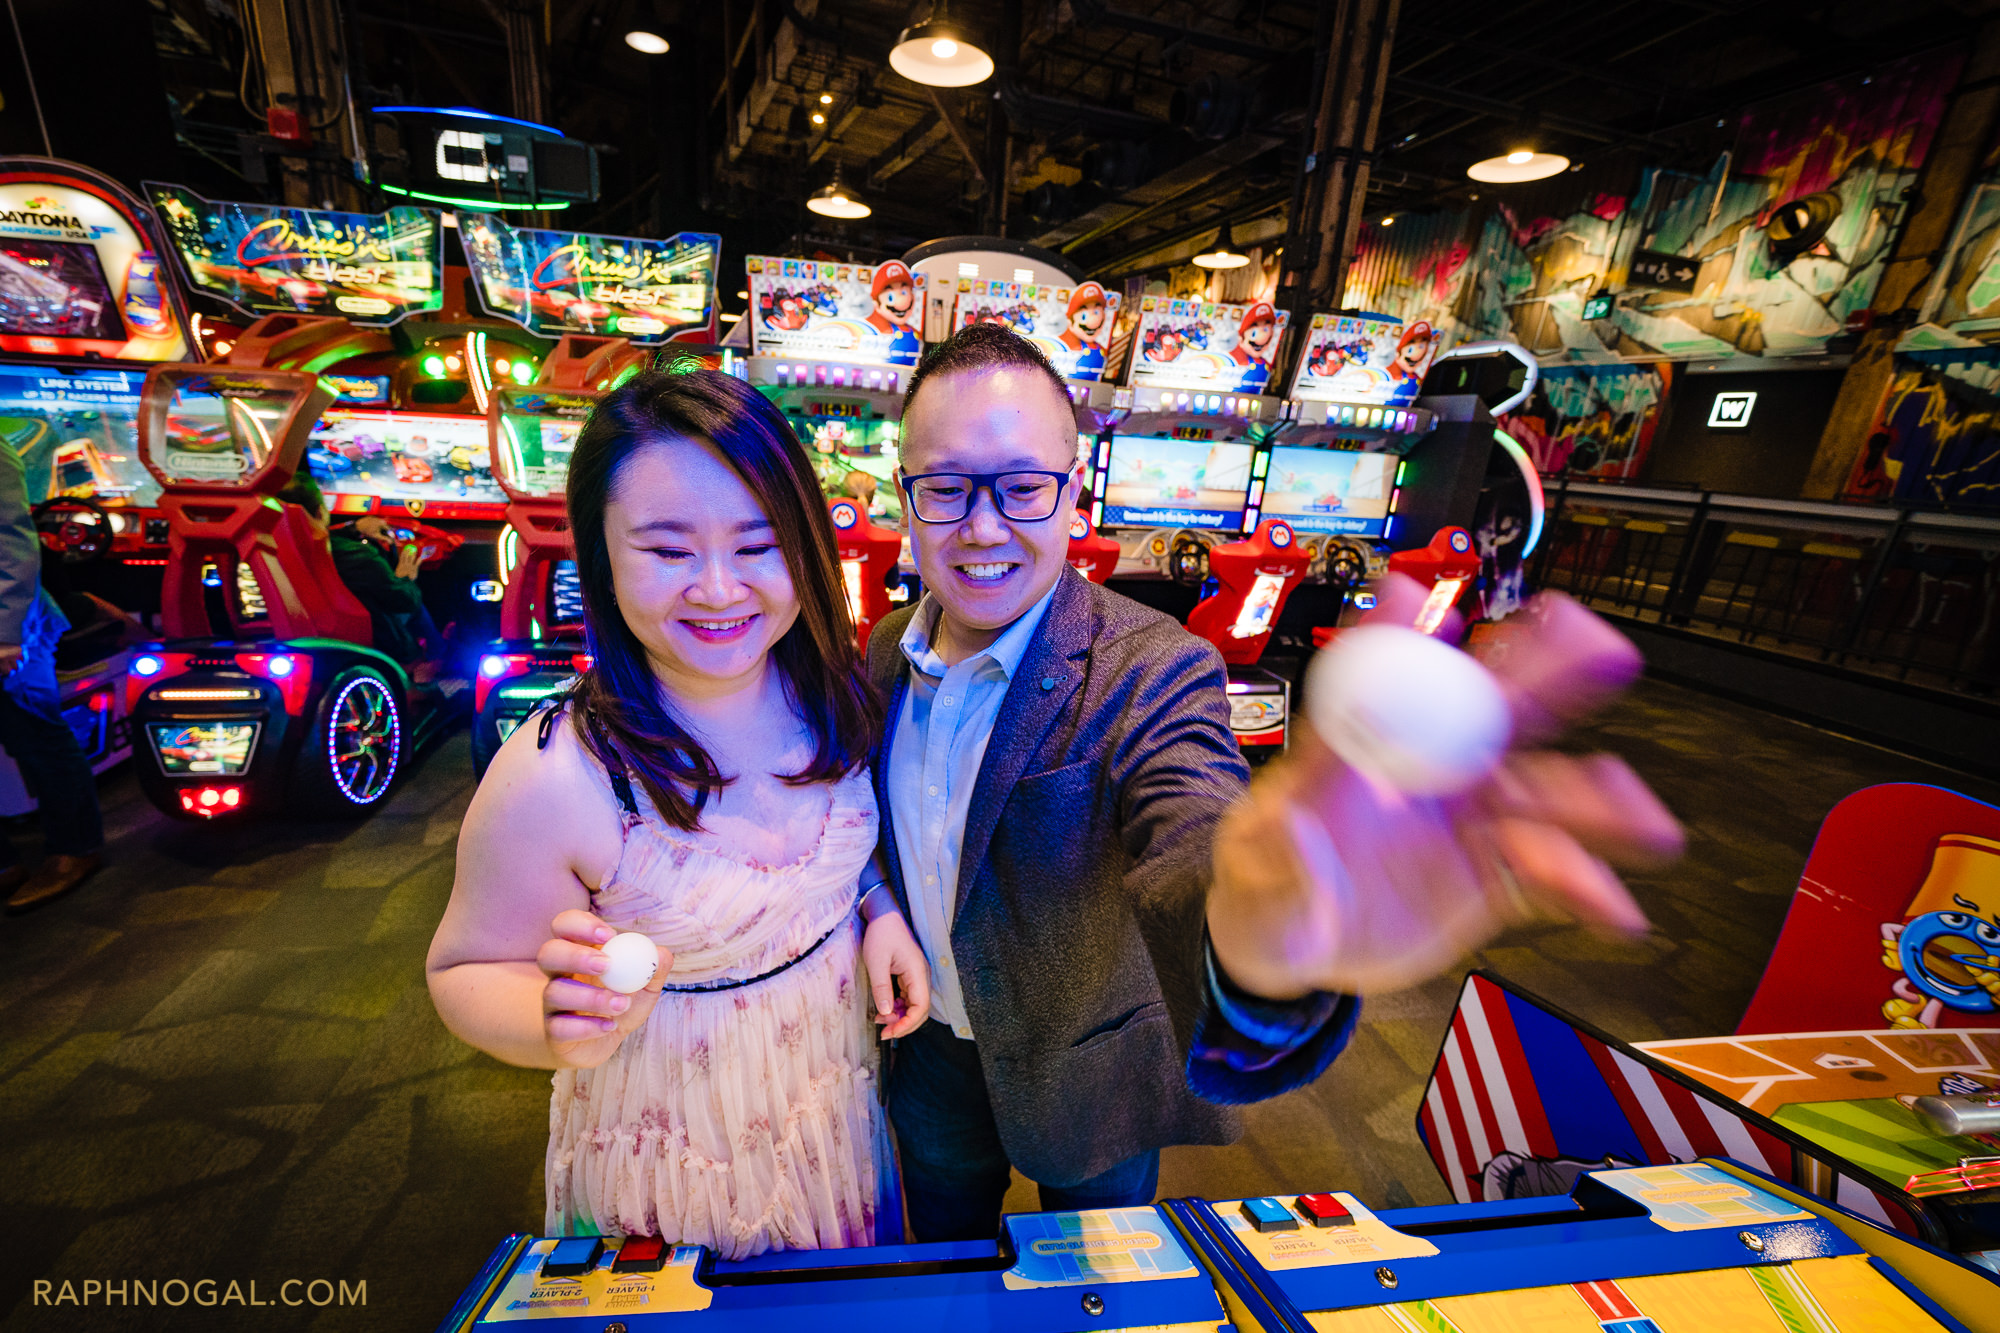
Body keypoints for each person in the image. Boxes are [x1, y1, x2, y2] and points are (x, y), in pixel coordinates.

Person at [872, 323, 1683, 1241]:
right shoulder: (880, 648)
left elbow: (1197, 833)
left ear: (1073, 497)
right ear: (908, 496)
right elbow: (859, 821)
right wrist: (875, 907)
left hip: (1087, 1070)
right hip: (929, 1046)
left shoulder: (1156, 666)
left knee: (1097, 1276)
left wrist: (1277, 910)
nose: (983, 526)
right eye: (945, 489)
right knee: (941, 1261)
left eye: (1022, 487)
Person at [426, 370, 932, 1256]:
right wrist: (550, 1020)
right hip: (675, 1157)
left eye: (757, 544)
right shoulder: (558, 773)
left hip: (833, 1105)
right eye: (668, 551)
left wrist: (877, 906)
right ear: (603, 557)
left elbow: (842, 855)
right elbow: (464, 967)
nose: (718, 587)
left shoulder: (829, 687)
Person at [0, 442, 103, 912]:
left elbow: (11, 539)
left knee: (35, 733)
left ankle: (74, 849)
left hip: (13, 623)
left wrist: (6, 632)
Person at [276, 474, 442, 674]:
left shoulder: (275, 545)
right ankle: (437, 660)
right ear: (321, 512)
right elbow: (405, 601)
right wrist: (405, 577)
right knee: (416, 605)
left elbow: (312, 535)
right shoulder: (355, 555)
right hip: (366, 637)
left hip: (300, 633)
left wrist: (353, 528)